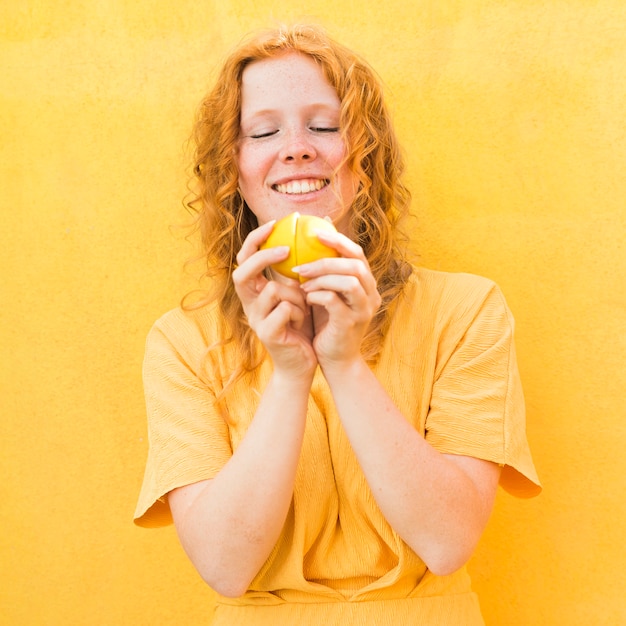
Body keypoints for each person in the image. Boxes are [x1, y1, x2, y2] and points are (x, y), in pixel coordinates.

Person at [134, 23, 541, 625]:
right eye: (264, 130)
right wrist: (291, 375)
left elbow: (449, 541)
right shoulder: (182, 342)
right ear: (235, 171)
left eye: (324, 127)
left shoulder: (466, 310)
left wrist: (345, 364)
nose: (296, 148)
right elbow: (224, 564)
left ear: (365, 165)